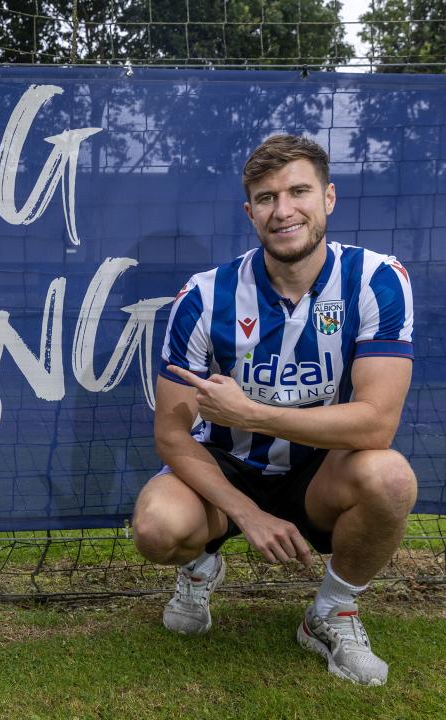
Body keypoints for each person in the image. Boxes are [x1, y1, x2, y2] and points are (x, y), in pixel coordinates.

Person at [132, 134, 416, 686]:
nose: (283, 210)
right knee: (155, 527)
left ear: (328, 198)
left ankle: (331, 612)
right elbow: (171, 435)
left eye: (298, 192)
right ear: (250, 212)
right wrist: (249, 514)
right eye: (266, 198)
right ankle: (198, 568)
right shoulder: (204, 295)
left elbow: (377, 422)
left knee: (392, 478)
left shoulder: (377, 279)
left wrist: (254, 414)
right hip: (225, 465)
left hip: (321, 471)